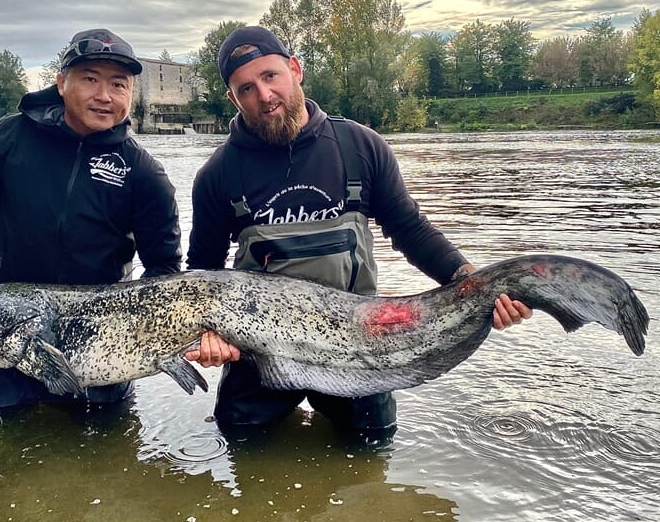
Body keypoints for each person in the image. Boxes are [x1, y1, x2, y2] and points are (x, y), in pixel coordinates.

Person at [185, 25, 531, 438]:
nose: (263, 95)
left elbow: (410, 230)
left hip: (359, 342)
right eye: (245, 88)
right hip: (259, 352)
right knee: (240, 443)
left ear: (295, 69)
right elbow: (201, 275)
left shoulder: (361, 147)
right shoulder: (217, 175)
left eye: (270, 76)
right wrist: (209, 338)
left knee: (373, 447)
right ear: (233, 98)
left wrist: (471, 284)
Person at [0, 28, 182, 411]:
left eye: (119, 84)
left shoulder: (143, 172)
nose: (105, 96)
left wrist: (138, 341)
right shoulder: (8, 138)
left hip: (101, 357)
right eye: (90, 79)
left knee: (109, 460)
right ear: (62, 82)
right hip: (4, 342)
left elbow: (163, 272)